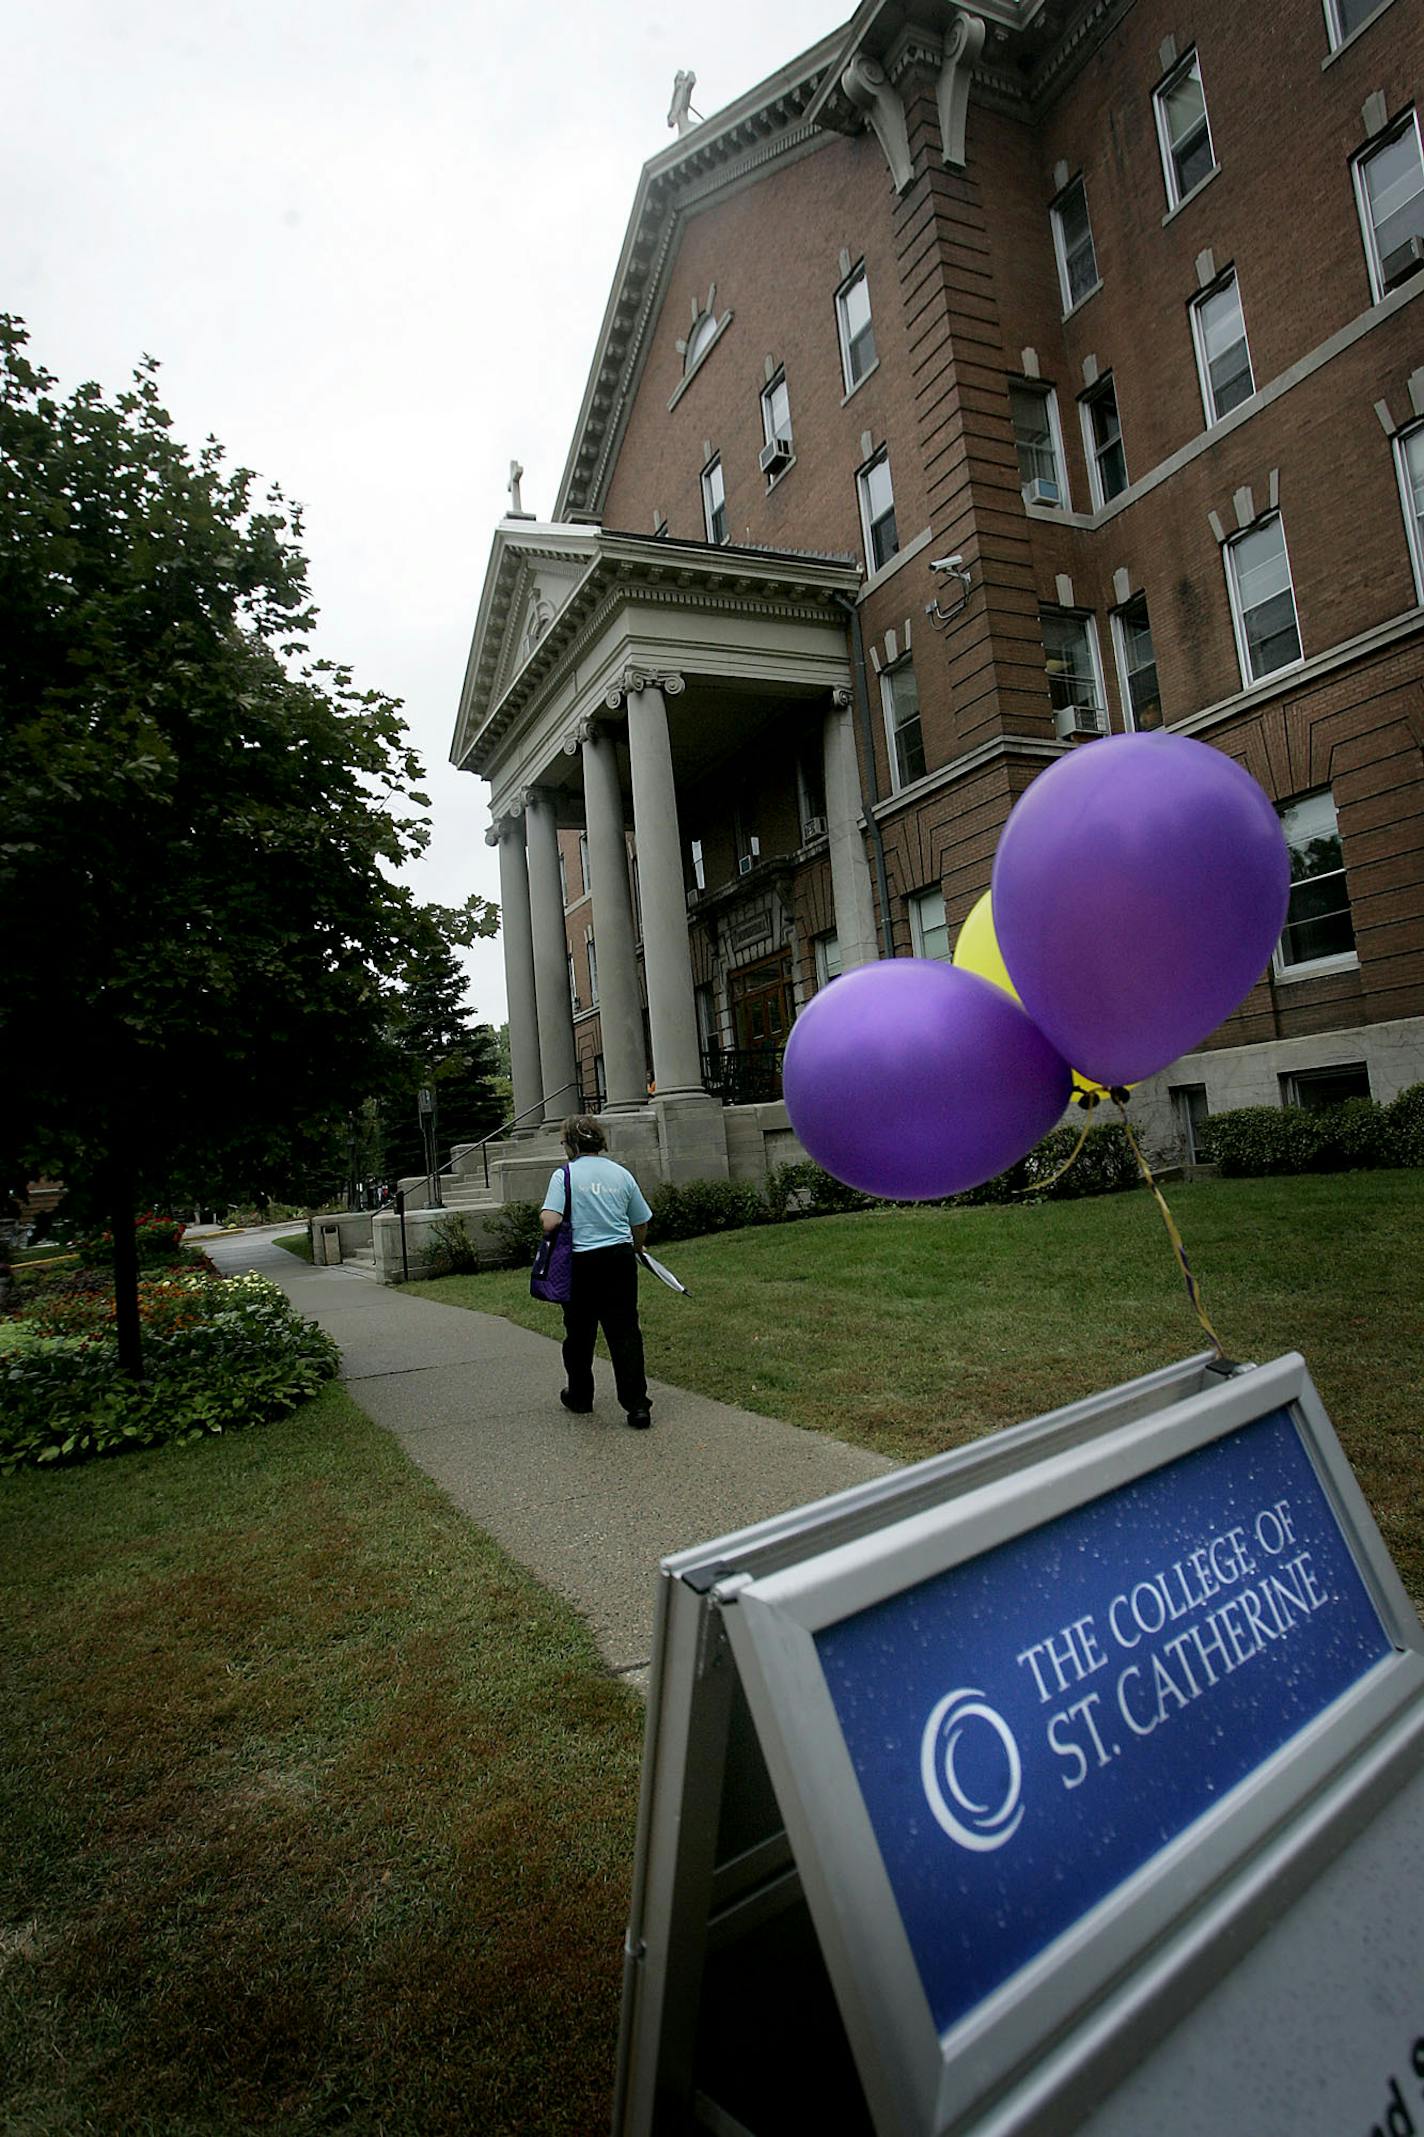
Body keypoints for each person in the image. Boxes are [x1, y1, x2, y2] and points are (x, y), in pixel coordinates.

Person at [541, 1115, 654, 1429]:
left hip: (580, 1263)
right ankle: (637, 1406)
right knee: (625, 1332)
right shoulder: (621, 1174)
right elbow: (640, 1221)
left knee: (579, 1333)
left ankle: (580, 1395)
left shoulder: (564, 1176)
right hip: (618, 1259)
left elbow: (550, 1221)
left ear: (571, 1144)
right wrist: (637, 1246)